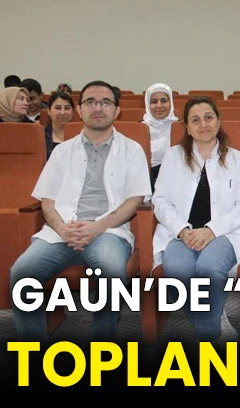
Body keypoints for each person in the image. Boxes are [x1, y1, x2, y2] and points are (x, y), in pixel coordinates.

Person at [9, 80, 151, 342]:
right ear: (79, 109)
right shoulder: (62, 151)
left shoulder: (132, 150)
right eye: (90, 102)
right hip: (62, 231)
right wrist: (62, 228)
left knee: (111, 273)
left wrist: (98, 227)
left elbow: (135, 200)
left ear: (117, 110)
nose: (98, 108)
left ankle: (103, 348)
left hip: (108, 231)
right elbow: (47, 200)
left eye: (105, 102)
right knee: (21, 273)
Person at [152, 96, 240, 344]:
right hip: (180, 235)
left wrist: (211, 230)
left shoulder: (237, 159)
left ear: (218, 121)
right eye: (195, 120)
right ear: (187, 127)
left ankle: (207, 338)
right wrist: (182, 230)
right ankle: (215, 322)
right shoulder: (174, 156)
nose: (203, 124)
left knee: (208, 268)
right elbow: (160, 200)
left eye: (208, 117)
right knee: (178, 270)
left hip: (224, 234)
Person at [142, 83, 178, 190]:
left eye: (164, 101)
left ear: (171, 102)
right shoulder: (140, 129)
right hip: (145, 180)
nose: (159, 105)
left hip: (176, 181)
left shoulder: (180, 128)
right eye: (154, 102)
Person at [44, 91, 75, 159]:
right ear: (49, 111)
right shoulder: (41, 135)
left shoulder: (81, 136)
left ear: (73, 111)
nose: (63, 112)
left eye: (67, 108)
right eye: (58, 108)